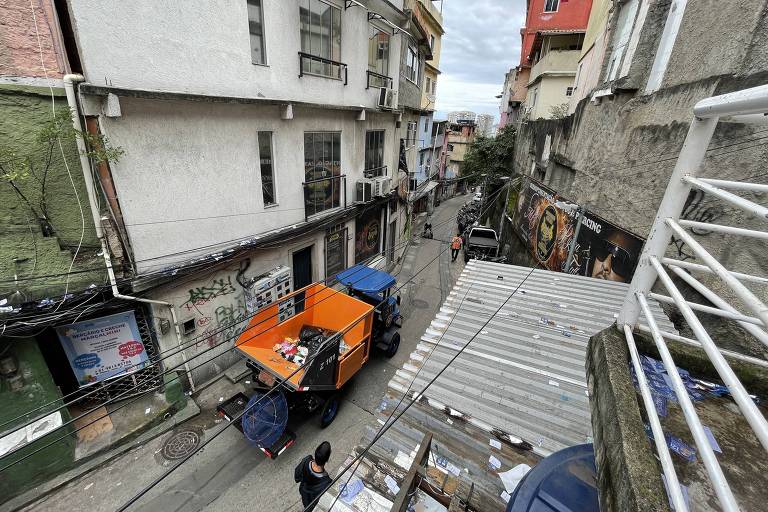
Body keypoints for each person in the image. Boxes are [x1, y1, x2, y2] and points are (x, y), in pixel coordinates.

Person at [294, 441, 332, 512]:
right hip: (313, 505)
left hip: (304, 493)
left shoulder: (306, 460)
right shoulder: (326, 482)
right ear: (327, 459)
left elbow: (297, 476)